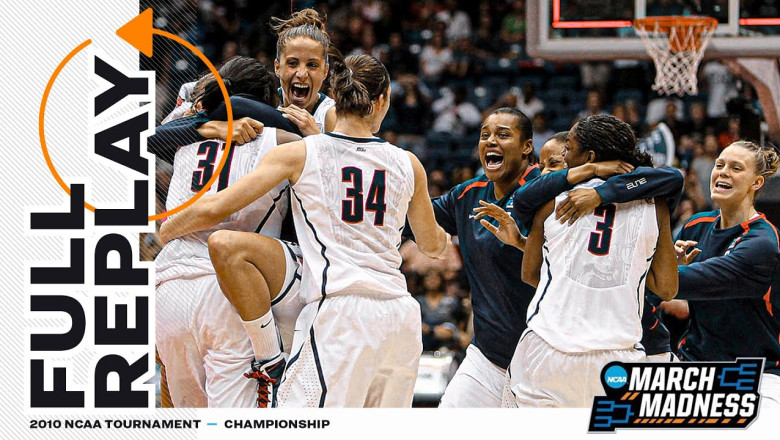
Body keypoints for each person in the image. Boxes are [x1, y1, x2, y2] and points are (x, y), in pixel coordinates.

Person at [160, 54, 450, 407]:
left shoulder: (301, 152)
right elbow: (434, 244)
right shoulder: (409, 163)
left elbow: (217, 206)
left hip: (341, 310)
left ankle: (269, 357)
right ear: (384, 99)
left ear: (333, 96)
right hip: (401, 318)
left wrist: (167, 227)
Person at [155, 56, 302, 408]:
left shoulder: (183, 128)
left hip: (169, 287)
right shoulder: (283, 140)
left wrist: (211, 119)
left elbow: (150, 136)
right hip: (230, 292)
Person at [504, 114, 679, 407]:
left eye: (568, 148)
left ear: (589, 156)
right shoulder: (656, 205)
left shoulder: (552, 201)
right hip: (618, 358)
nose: (564, 154)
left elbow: (530, 274)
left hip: (548, 348)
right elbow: (667, 288)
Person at [673, 140, 780, 408]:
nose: (723, 172)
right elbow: (675, 300)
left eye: (736, 168)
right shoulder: (696, 226)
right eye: (719, 165)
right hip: (694, 363)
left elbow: (692, 281)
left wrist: (664, 272)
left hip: (758, 369)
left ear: (756, 183)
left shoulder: (762, 242)